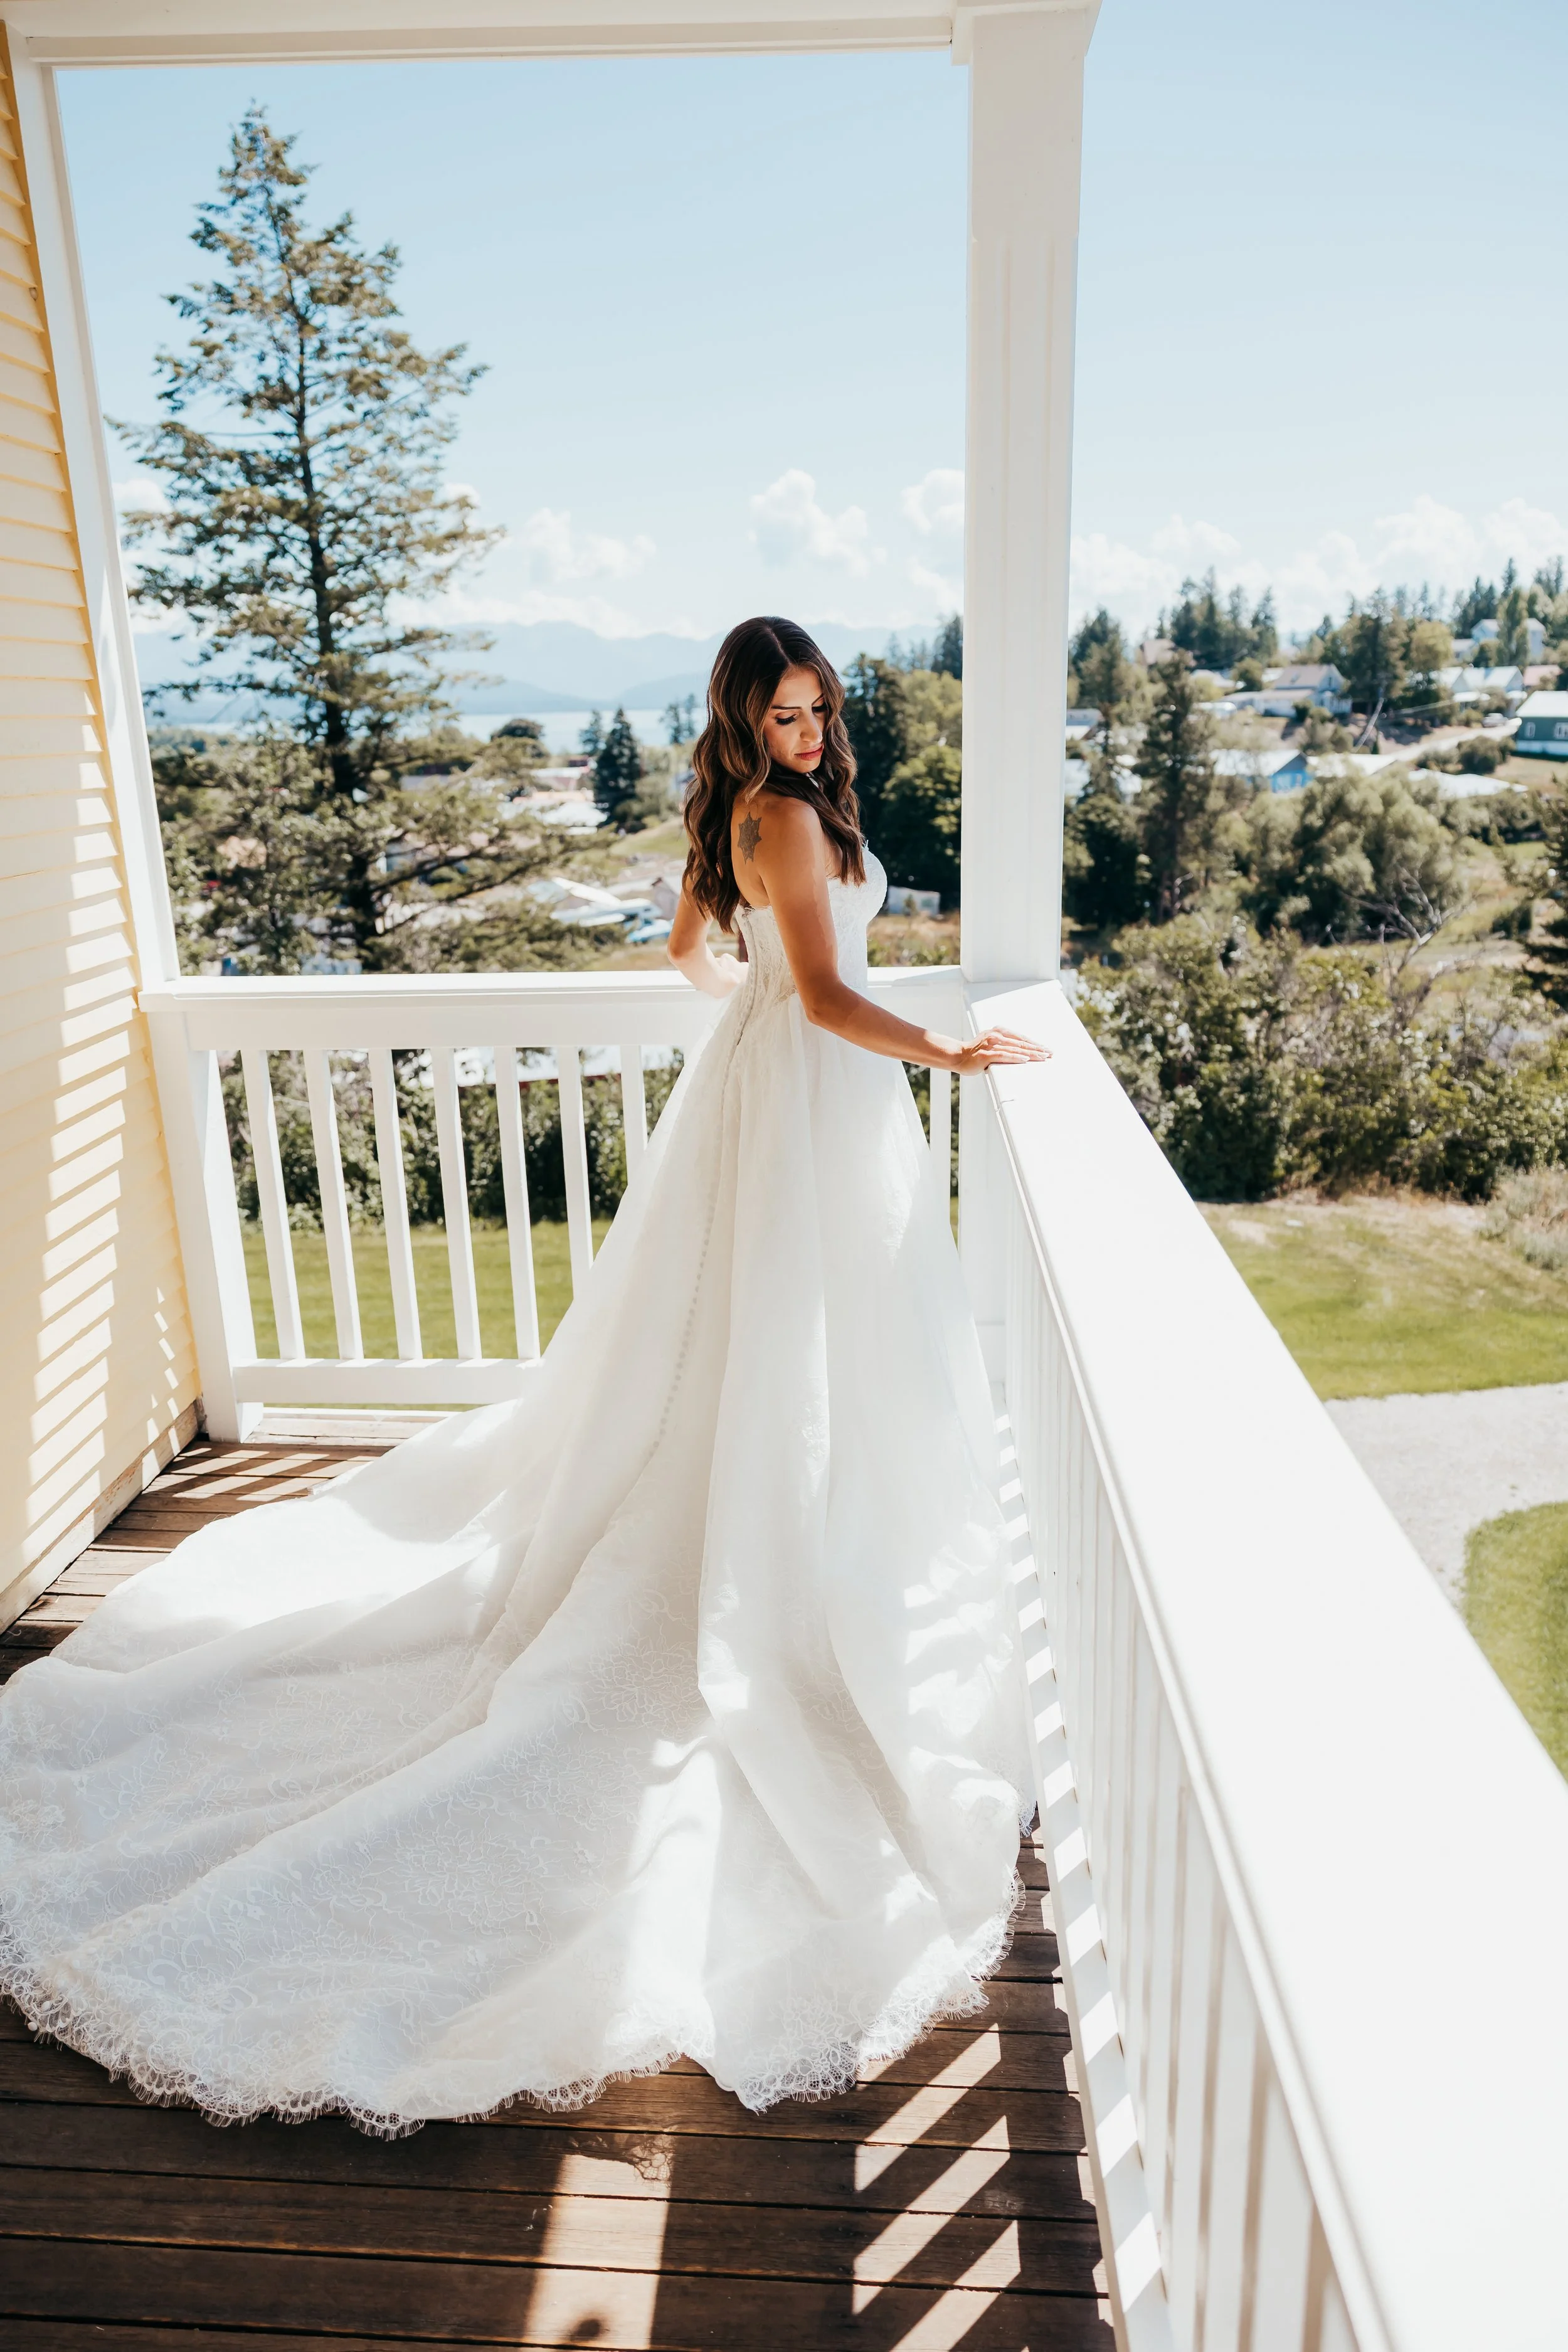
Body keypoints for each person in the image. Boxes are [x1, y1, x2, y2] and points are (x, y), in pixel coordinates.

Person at [0, 615, 1050, 2135]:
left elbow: (700, 960)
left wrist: (756, 994)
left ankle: (787, 1526)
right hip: (810, 1090)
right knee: (790, 1342)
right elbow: (820, 998)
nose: (810, 732)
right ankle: (793, 1558)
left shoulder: (738, 823)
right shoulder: (784, 819)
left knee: (739, 1344)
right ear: (743, 719)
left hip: (763, 1096)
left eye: (819, 710)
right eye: (784, 711)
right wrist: (944, 1055)